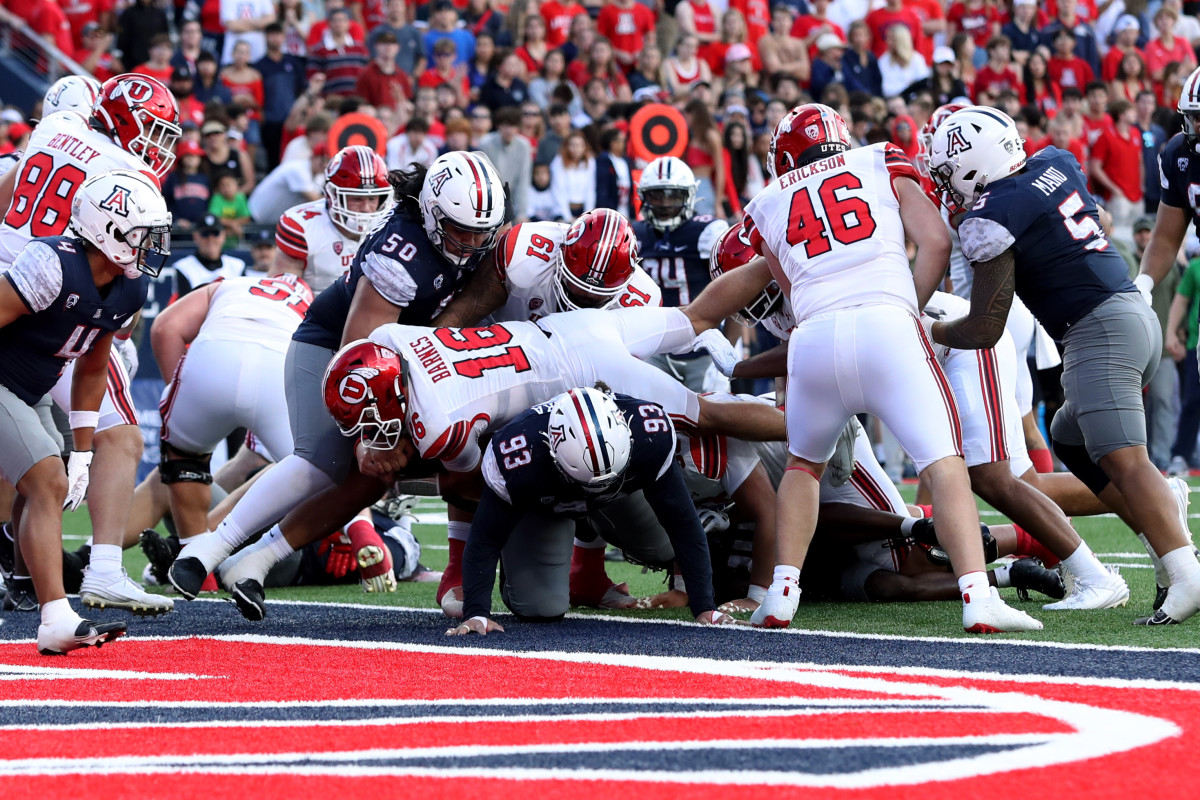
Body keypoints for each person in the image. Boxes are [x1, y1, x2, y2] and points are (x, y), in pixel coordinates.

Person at [692, 103, 1041, 633]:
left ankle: (781, 595)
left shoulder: (765, 202)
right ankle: (977, 595)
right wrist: (906, 307)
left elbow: (795, 297)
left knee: (803, 468)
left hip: (813, 337)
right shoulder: (880, 158)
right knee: (942, 464)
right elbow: (937, 243)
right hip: (885, 324)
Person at [166, 152, 507, 608]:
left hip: (410, 362)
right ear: (430, 212)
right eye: (459, 229)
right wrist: (371, 434)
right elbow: (357, 355)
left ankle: (256, 562)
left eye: (480, 231)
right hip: (334, 351)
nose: (470, 242)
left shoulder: (481, 235)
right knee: (320, 459)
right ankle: (210, 547)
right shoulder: (402, 253)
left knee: (375, 478)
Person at [929, 106, 1200, 625]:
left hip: (1097, 328)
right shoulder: (1055, 160)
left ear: (971, 164)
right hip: (1128, 311)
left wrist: (931, 330)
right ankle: (1161, 527)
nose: (946, 184)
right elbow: (1095, 221)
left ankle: (1186, 573)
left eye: (947, 171)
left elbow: (985, 327)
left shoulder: (992, 214)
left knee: (1124, 458)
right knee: (1069, 434)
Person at [0, 75, 180, 618]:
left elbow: (8, 192)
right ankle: (102, 568)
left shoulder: (55, 127)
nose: (160, 147)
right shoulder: (130, 175)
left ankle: (31, 568)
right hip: (58, 296)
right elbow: (118, 258)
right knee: (121, 434)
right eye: (154, 131)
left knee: (33, 460)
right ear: (124, 119)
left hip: (16, 279)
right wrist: (116, 332)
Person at [449, 387, 733, 634]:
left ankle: (590, 537)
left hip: (620, 491)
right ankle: (518, 568)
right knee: (540, 607)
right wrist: (476, 612)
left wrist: (705, 607)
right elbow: (485, 538)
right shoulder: (519, 458)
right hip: (547, 505)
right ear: (551, 452)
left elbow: (682, 523)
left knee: (664, 547)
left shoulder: (649, 435)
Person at [150, 273, 313, 543]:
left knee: (183, 461)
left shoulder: (228, 286)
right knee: (318, 475)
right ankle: (362, 538)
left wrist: (180, 389)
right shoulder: (310, 300)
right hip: (279, 366)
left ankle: (191, 560)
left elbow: (163, 328)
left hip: (214, 357)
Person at [435, 208, 661, 328]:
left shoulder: (644, 302)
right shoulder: (521, 251)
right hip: (501, 344)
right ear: (560, 253)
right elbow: (465, 313)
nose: (584, 296)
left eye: (594, 297)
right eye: (576, 287)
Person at [633, 156, 729, 391]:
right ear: (644, 197)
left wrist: (731, 345)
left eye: (673, 196)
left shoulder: (707, 232)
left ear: (689, 196)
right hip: (654, 350)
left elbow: (735, 296)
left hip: (704, 349)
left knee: (714, 419)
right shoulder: (634, 235)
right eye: (657, 195)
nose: (665, 204)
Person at [247, 142, 326, 225]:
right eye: (323, 160)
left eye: (328, 160)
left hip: (273, 224)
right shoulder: (298, 169)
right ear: (312, 157)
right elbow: (314, 200)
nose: (325, 164)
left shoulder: (320, 177)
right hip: (254, 216)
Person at [478, 108, 533, 222]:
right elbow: (483, 179)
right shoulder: (486, 144)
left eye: (513, 126)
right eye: (506, 125)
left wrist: (522, 212)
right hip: (490, 199)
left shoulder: (524, 146)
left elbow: (523, 180)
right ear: (499, 126)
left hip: (513, 200)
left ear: (518, 127)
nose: (510, 130)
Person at [172, 216, 248, 297]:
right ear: (195, 237)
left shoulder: (237, 266)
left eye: (215, 233)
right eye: (205, 234)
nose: (210, 238)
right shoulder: (183, 268)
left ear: (223, 235)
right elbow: (184, 304)